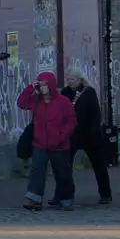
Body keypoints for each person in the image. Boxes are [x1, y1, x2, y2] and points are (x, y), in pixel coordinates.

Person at [18, 71, 77, 211]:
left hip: (59, 144)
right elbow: (21, 102)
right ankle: (34, 199)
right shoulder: (36, 101)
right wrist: (30, 88)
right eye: (40, 85)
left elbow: (71, 121)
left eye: (44, 85)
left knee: (63, 173)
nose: (42, 88)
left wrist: (61, 136)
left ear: (50, 85)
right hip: (40, 143)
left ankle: (66, 199)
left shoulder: (63, 102)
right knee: (37, 170)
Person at [61, 73, 113, 205]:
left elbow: (96, 113)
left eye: (72, 79)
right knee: (65, 166)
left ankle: (105, 194)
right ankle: (65, 195)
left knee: (99, 165)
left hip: (90, 135)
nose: (69, 82)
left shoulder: (89, 92)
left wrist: (94, 131)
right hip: (71, 134)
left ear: (79, 79)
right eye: (68, 79)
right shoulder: (65, 92)